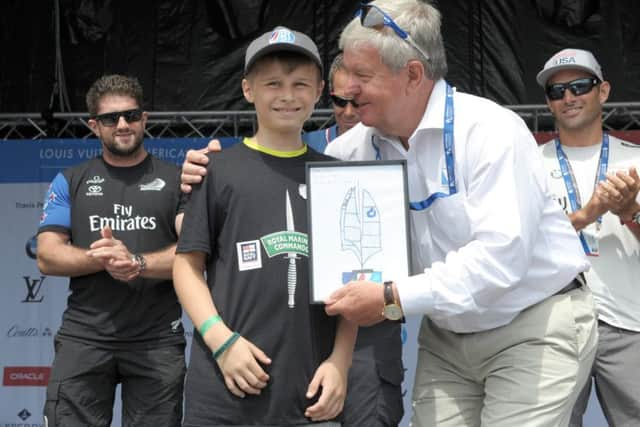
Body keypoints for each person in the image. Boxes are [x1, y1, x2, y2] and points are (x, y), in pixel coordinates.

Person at [317, 1, 598, 426]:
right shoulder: (353, 151)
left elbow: (500, 258)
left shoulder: (490, 131)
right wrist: (206, 176)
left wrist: (392, 298)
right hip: (447, 340)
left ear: (413, 74)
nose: (346, 91)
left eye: (362, 76)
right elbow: (290, 190)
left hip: (532, 325)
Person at [181, 48, 403, 427]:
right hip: (223, 391)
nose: (287, 95)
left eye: (300, 84)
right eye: (273, 84)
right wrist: (221, 340)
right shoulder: (214, 171)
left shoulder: (337, 177)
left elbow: (351, 284)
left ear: (319, 91)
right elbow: (186, 266)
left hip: (308, 393)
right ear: (248, 90)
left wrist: (339, 362)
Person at [36, 75, 186, 426]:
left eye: (131, 116)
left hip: (157, 339)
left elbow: (194, 252)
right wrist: (102, 258)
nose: (122, 125)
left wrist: (136, 263)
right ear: (94, 126)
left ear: (144, 119)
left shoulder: (177, 180)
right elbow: (46, 255)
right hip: (84, 336)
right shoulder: (70, 180)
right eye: (110, 118)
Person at [537, 48, 640, 427]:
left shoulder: (636, 160)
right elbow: (521, 244)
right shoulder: (529, 164)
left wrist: (631, 211)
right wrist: (585, 216)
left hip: (630, 323)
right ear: (548, 103)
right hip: (552, 324)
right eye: (556, 92)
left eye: (580, 86)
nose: (568, 97)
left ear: (604, 91)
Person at [303, 53, 361, 153]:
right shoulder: (305, 145)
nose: (349, 112)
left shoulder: (390, 145)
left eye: (357, 101)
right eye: (340, 100)